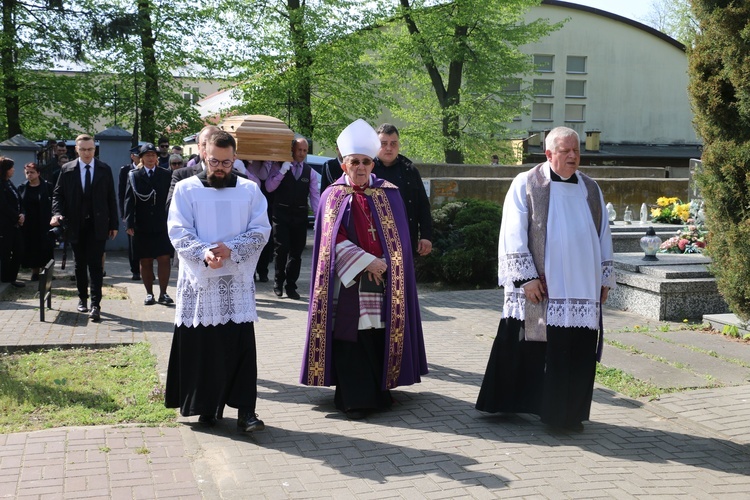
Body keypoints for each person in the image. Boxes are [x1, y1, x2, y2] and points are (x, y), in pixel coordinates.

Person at [475, 126, 615, 432]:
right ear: (548, 153)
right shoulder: (526, 183)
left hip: (581, 287)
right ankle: (512, 404)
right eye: (565, 151)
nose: (573, 156)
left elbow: (604, 234)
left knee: (575, 350)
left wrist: (604, 278)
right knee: (530, 345)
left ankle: (568, 415)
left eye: (576, 150)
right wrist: (526, 278)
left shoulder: (591, 189)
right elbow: (512, 231)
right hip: (542, 284)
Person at [300, 119, 428, 420]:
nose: (360, 167)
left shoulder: (388, 192)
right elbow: (330, 242)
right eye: (354, 162)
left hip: (383, 279)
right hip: (348, 281)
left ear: (373, 164)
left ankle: (380, 393)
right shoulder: (333, 195)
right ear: (344, 165)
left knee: (379, 333)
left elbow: (400, 237)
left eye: (365, 162)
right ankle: (354, 399)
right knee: (351, 336)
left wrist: (385, 262)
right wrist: (365, 261)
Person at [165, 130, 271, 433]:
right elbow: (177, 230)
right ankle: (206, 407)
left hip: (235, 282)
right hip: (202, 284)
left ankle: (246, 412)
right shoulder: (186, 189)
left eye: (226, 162)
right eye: (214, 162)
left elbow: (261, 229)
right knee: (204, 348)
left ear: (235, 158)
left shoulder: (250, 190)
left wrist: (233, 249)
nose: (220, 168)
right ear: (203, 155)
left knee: (239, 347)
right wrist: (204, 252)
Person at [51, 134, 119, 322]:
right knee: (80, 264)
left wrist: (113, 224)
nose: (87, 153)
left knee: (96, 265)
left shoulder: (104, 169)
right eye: (83, 149)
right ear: (77, 150)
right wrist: (57, 214)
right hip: (75, 224)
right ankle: (82, 298)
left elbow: (110, 198)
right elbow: (58, 195)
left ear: (95, 149)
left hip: (98, 224)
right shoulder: (67, 169)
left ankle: (96, 304)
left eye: (90, 149)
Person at [266, 137, 320, 299]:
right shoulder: (279, 166)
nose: (302, 153)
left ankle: (291, 285)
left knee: (296, 252)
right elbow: (269, 187)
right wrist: (282, 171)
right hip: (281, 214)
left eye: (305, 150)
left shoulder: (310, 172)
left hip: (299, 216)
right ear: (292, 150)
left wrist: (318, 217)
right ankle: (278, 282)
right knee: (281, 249)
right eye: (299, 150)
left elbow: (314, 196)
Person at [124, 143, 174, 306]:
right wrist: (129, 222)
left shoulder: (166, 174)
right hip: (142, 224)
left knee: (164, 259)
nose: (151, 158)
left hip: (162, 224)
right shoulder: (134, 175)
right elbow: (129, 199)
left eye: (153, 155)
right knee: (145, 260)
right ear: (142, 158)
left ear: (157, 158)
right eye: (147, 155)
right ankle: (149, 293)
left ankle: (164, 293)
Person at [372, 123, 433, 257]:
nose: (389, 148)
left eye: (393, 143)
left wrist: (426, 236)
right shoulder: (367, 169)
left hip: (406, 239)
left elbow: (422, 205)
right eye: (383, 143)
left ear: (399, 144)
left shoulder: (409, 170)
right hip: (375, 241)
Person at [246, 160, 281, 282]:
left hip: (268, 202)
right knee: (249, 237)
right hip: (249, 203)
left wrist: (267, 163)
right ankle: (252, 271)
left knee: (265, 237)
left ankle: (263, 270)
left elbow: (264, 178)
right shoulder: (245, 163)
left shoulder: (274, 164)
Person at [18, 162, 54, 281]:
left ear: (38, 173)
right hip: (29, 223)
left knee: (46, 247)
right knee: (31, 247)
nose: (29, 175)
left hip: (45, 221)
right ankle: (34, 272)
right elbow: (18, 204)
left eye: (32, 172)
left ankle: (47, 272)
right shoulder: (22, 188)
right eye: (27, 172)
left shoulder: (48, 187)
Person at [0, 157, 25, 287]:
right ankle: (5, 277)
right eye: (11, 168)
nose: (13, 170)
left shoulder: (9, 183)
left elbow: (18, 201)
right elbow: (3, 205)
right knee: (5, 251)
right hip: (5, 225)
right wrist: (16, 216)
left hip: (15, 223)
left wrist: (22, 214)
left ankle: (11, 276)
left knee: (19, 249)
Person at [119, 146, 141, 280]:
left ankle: (146, 269)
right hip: (131, 212)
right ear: (133, 156)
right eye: (138, 155)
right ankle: (135, 270)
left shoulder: (145, 169)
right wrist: (124, 214)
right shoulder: (125, 170)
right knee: (133, 243)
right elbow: (122, 194)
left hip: (143, 212)